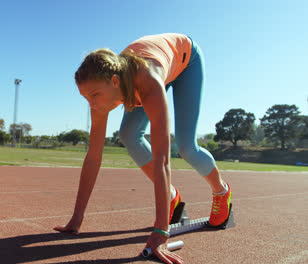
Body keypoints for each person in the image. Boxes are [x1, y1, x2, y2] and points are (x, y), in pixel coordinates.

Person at [54, 33, 232, 264]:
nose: (92, 104)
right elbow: (93, 156)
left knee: (187, 147)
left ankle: (222, 192)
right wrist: (76, 218)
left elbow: (162, 160)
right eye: (86, 97)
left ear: (115, 81)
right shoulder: (102, 92)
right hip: (149, 68)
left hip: (186, 61)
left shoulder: (148, 83)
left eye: (95, 95)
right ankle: (172, 197)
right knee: (128, 135)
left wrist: (161, 232)